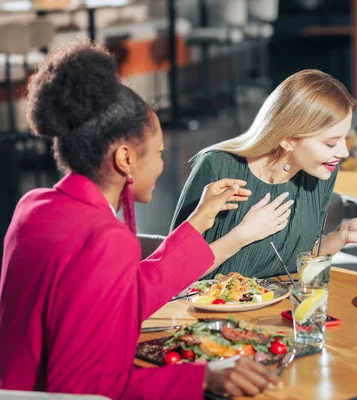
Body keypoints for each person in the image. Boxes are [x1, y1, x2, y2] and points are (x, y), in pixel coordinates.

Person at [0, 41, 280, 399]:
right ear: (125, 158)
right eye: (159, 152)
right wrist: (204, 378)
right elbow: (80, 389)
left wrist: (199, 220)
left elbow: (121, 297)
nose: (163, 164)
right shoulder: (106, 237)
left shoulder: (33, 206)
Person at [171, 70, 357, 279]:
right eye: (330, 143)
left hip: (280, 310)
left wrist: (342, 236)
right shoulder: (217, 166)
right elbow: (173, 271)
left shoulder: (320, 173)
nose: (344, 152)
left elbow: (301, 259)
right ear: (288, 139)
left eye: (344, 139)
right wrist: (242, 235)